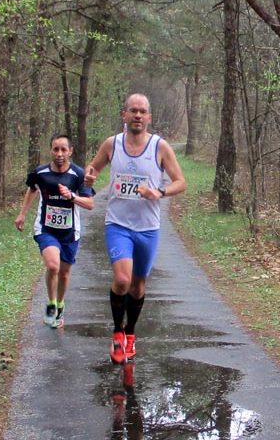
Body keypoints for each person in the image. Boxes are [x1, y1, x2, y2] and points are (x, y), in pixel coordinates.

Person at [85, 93, 186, 364]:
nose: (138, 115)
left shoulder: (160, 147)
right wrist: (89, 175)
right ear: (124, 115)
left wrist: (160, 191)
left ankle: (130, 333)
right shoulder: (112, 144)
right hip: (118, 224)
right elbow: (92, 169)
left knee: (138, 286)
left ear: (149, 117)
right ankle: (117, 333)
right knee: (122, 280)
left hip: (148, 228)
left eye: (143, 111)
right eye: (133, 111)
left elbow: (181, 182)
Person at [15, 134, 95, 328]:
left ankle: (60, 304)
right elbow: (32, 189)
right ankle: (51, 305)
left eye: (63, 150)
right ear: (50, 150)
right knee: (52, 266)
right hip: (46, 229)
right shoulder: (40, 172)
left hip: (69, 232)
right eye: (55, 149)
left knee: (65, 273)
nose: (59, 154)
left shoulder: (78, 175)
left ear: (70, 151)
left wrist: (72, 197)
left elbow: (90, 204)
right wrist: (22, 214)